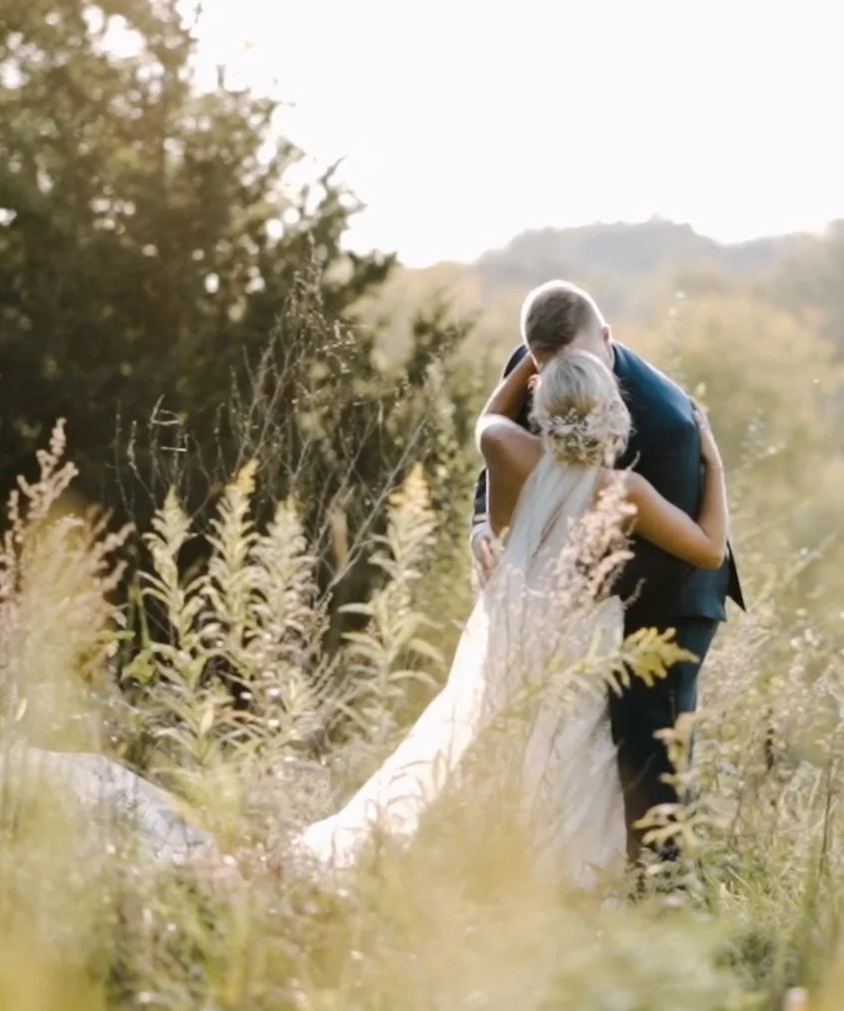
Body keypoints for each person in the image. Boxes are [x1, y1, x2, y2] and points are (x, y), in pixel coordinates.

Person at [295, 292, 733, 886]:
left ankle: (569, 877)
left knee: (547, 744)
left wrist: (534, 364)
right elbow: (705, 547)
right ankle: (596, 884)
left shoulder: (515, 445)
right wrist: (719, 465)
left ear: (542, 399)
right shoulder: (623, 490)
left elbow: (488, 425)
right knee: (587, 755)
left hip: (563, 617)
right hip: (585, 624)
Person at [473, 281, 743, 864]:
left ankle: (658, 883)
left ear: (609, 340)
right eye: (539, 365)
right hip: (582, 606)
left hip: (667, 599)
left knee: (649, 750)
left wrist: (569, 578)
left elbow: (690, 552)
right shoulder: (536, 368)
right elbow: (494, 469)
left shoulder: (666, 426)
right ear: (532, 359)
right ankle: (602, 879)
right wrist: (483, 527)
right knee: (582, 749)